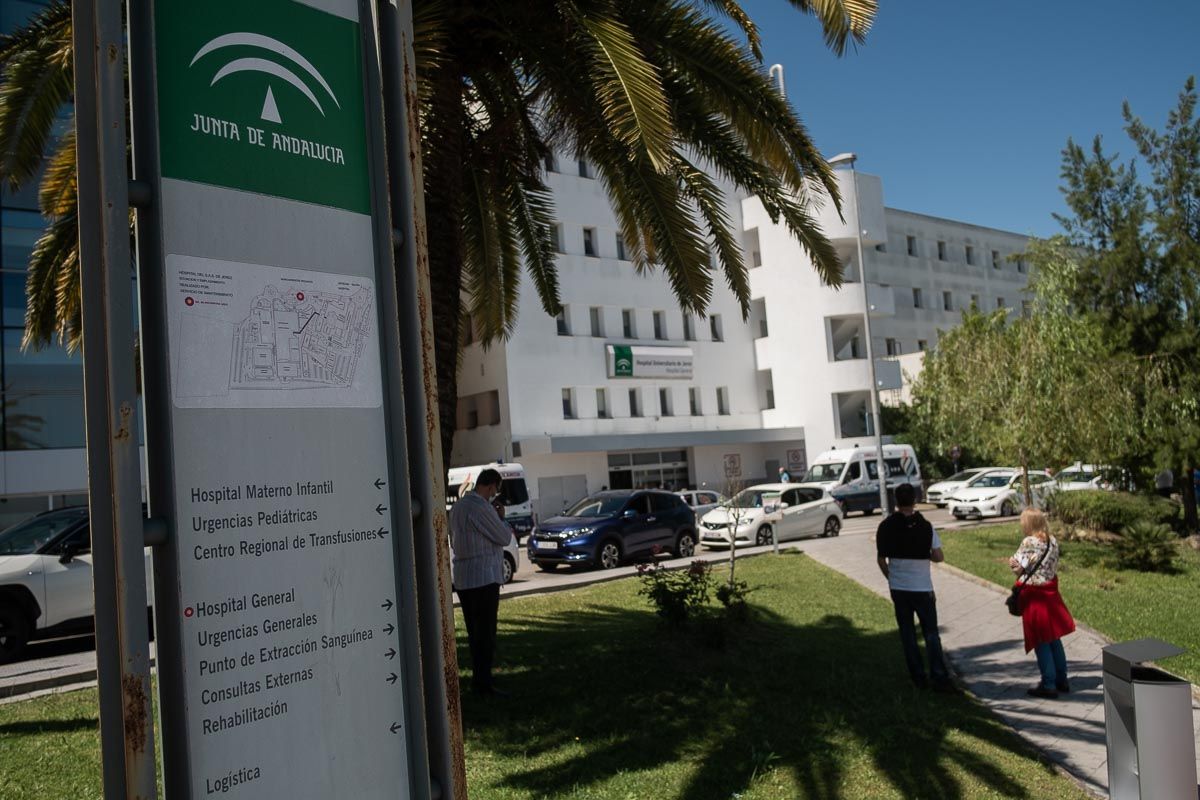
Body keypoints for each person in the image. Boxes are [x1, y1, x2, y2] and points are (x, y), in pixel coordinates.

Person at [876, 483, 953, 690]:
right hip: (922, 587)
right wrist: (924, 555)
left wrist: (891, 578)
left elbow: (881, 560)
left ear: (896, 501)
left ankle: (918, 677)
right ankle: (939, 675)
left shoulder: (886, 526)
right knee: (931, 633)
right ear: (915, 500)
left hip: (899, 588)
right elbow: (939, 556)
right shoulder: (926, 526)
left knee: (908, 633)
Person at [449, 468, 513, 695]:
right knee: (486, 633)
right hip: (484, 577)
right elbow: (504, 536)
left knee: (474, 632)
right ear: (491, 485)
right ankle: (483, 683)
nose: (496, 493)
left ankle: (479, 679)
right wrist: (502, 518)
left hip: (465, 578)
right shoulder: (481, 507)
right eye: (497, 488)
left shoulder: (458, 507)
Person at [1009, 508, 1075, 699]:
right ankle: (1062, 679)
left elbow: (1019, 569)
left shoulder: (1028, 542)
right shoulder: (1052, 541)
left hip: (1034, 596)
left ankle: (1048, 683)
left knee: (1041, 640)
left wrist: (1013, 564)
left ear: (1028, 523)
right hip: (1050, 594)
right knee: (1054, 638)